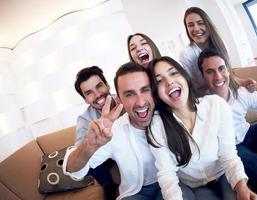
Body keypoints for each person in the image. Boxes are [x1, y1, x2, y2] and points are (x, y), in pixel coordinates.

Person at [64, 62, 196, 200]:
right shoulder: (108, 128)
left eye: (145, 90)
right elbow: (75, 170)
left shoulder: (169, 115)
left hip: (174, 181)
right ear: (120, 99)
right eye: (129, 94)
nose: (140, 102)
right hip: (136, 191)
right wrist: (89, 146)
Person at [146, 56, 257, 200]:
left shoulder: (216, 105)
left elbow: (228, 154)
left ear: (185, 77)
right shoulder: (156, 124)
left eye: (173, 73)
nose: (169, 82)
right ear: (156, 93)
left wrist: (241, 187)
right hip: (195, 187)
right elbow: (167, 175)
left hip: (224, 176)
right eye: (159, 81)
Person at [197, 48, 257, 200]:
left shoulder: (242, 92)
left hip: (249, 133)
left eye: (221, 68)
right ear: (203, 76)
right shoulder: (200, 104)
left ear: (228, 70)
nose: (218, 76)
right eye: (210, 71)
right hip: (232, 147)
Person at [179, 7, 256, 97]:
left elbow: (227, 75)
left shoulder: (222, 46)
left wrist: (243, 82)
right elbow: (191, 88)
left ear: (208, 24)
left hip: (227, 94)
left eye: (201, 23)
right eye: (190, 25)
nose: (196, 29)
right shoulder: (186, 54)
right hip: (207, 100)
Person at [74, 66, 122, 198]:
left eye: (99, 86)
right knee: (88, 160)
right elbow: (79, 152)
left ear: (107, 85)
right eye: (89, 93)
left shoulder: (123, 99)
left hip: (130, 145)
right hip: (106, 156)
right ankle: (109, 186)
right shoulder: (84, 119)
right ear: (85, 99)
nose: (97, 95)